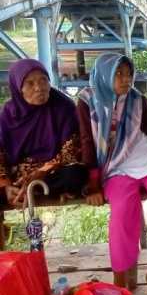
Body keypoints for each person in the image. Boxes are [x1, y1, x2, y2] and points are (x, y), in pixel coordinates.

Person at [78, 53, 147, 295]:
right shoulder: (87, 101)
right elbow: (86, 142)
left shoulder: (138, 100)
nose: (126, 80)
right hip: (115, 165)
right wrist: (93, 182)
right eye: (119, 74)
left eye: (128, 73)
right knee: (124, 209)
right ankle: (120, 280)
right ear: (105, 74)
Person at [0, 59, 88, 207]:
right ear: (18, 87)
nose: (39, 88)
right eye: (30, 83)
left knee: (75, 174)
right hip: (18, 175)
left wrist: (42, 171)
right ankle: (18, 192)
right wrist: (6, 184)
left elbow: (70, 150)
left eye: (43, 80)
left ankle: (35, 189)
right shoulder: (8, 114)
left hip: (52, 172)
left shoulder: (63, 106)